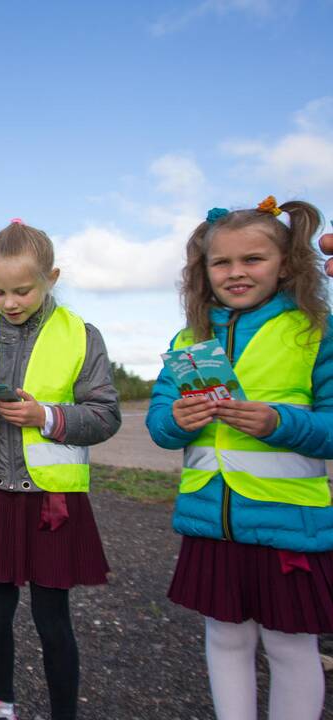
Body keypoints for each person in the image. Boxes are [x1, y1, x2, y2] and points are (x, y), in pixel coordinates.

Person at [146, 197, 333, 720]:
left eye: (253, 259)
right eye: (221, 262)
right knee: (225, 638)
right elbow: (159, 423)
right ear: (202, 272)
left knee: (290, 647)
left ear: (287, 263)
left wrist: (281, 423)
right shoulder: (189, 339)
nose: (236, 272)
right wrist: (176, 421)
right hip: (210, 520)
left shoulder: (313, 331)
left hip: (287, 522)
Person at [0, 219, 120, 720]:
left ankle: (64, 711)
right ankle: (2, 705)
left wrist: (47, 416)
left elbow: (106, 415)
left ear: (51, 277)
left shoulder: (82, 335)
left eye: (22, 290)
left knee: (52, 619)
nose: (9, 302)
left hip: (51, 500)